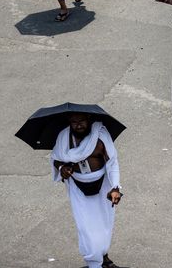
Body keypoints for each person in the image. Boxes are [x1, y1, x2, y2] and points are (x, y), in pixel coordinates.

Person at [51, 113, 122, 268]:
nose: (78, 125)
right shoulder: (63, 137)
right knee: (85, 226)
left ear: (88, 120)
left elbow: (112, 162)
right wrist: (62, 168)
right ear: (69, 122)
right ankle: (93, 262)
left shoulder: (100, 136)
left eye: (82, 121)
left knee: (103, 223)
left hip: (102, 184)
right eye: (74, 122)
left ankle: (104, 257)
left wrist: (115, 187)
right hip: (77, 185)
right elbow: (55, 158)